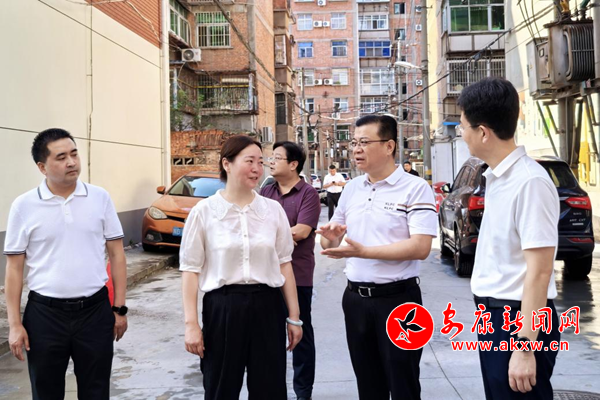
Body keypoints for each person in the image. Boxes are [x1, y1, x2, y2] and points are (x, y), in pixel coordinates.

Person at [318, 115, 437, 400]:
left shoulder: (415, 188)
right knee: (368, 384)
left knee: (404, 383)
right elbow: (330, 241)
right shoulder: (351, 189)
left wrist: (364, 252)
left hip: (400, 303)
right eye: (354, 143)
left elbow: (421, 247)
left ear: (389, 146)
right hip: (355, 300)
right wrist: (331, 237)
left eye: (364, 142)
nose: (356, 149)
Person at [4, 128, 128, 400]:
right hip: (44, 316)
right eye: (61, 157)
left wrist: (119, 309)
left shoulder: (99, 198)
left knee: (96, 391)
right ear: (42, 167)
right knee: (46, 392)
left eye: (74, 154)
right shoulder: (24, 206)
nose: (71, 162)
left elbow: (117, 254)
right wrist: (15, 324)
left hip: (95, 312)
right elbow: (14, 269)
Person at [458, 78, 561, 399]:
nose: (461, 133)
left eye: (463, 126)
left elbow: (540, 270)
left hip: (519, 323)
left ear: (483, 132)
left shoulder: (529, 182)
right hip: (495, 317)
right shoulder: (498, 177)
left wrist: (525, 347)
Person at [180, 135, 303, 400]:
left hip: (267, 306)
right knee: (220, 387)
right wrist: (191, 324)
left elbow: (284, 264)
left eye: (261, 162)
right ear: (227, 164)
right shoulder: (204, 211)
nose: (257, 168)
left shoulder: (272, 210)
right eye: (249, 161)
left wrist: (294, 317)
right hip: (223, 308)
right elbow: (190, 269)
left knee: (270, 389)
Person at [260, 141, 321, 400]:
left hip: (298, 275)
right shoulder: (265, 192)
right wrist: (282, 235)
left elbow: (303, 231)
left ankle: (303, 392)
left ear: (293, 164)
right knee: (268, 336)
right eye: (271, 157)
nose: (271, 162)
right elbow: (254, 226)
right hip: (266, 275)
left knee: (300, 334)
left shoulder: (308, 194)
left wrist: (267, 237)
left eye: (277, 158)